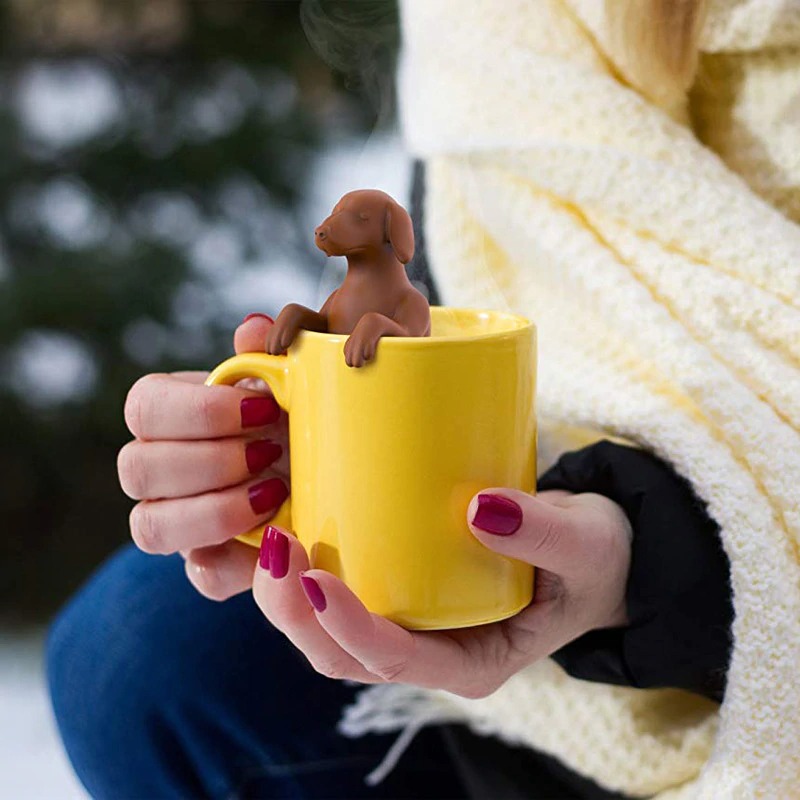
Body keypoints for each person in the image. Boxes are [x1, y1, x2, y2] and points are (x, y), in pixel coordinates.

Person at [47, 0, 800, 797]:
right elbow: (489, 299)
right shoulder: (504, 27)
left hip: (693, 642)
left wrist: (648, 562)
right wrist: (299, 448)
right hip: (533, 635)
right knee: (136, 651)